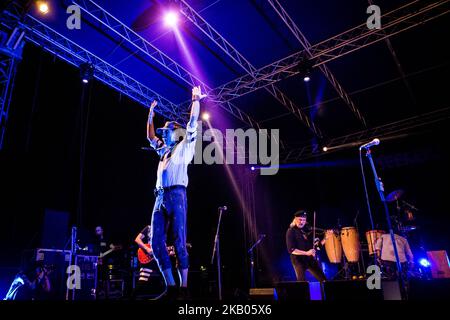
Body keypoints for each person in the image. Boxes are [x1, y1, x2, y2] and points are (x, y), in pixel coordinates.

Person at [146, 86, 205, 300]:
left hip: (177, 195)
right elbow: (150, 136)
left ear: (175, 133)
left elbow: (192, 124)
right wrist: (150, 115)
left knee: (180, 241)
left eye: (167, 131)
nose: (163, 134)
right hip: (160, 197)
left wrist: (195, 99)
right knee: (155, 243)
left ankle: (184, 288)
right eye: (164, 132)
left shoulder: (185, 146)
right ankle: (171, 287)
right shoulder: (163, 151)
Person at [286, 210, 332, 282]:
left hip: (310, 259)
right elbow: (291, 250)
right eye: (300, 220)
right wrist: (306, 253)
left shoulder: (308, 230)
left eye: (304, 220)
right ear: (295, 219)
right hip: (298, 260)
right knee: (302, 282)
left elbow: (318, 247)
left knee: (323, 280)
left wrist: (326, 238)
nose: (302, 222)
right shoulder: (291, 231)